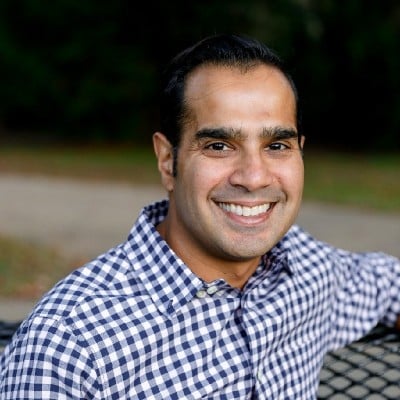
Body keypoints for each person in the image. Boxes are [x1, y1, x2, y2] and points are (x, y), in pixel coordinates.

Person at [1, 33, 399, 399]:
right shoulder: (69, 347)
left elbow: (386, 283)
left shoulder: (307, 270)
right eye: (219, 146)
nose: (254, 177)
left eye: (277, 145)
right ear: (167, 160)